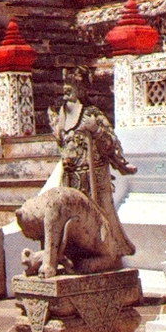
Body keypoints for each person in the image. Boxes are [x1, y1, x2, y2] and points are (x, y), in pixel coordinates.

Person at [47, 80, 138, 259]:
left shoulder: (92, 114)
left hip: (93, 176)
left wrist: (96, 130)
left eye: (70, 86)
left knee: (100, 215)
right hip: (71, 176)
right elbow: (62, 144)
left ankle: (109, 251)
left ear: (79, 89)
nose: (66, 89)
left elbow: (110, 145)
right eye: (64, 85)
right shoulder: (61, 116)